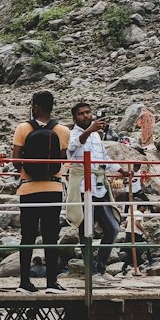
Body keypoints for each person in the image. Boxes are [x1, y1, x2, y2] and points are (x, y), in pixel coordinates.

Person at [12, 91, 69, 293]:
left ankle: (25, 282)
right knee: (50, 235)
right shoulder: (62, 130)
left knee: (27, 236)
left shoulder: (23, 128)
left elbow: (16, 161)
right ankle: (52, 282)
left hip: (28, 188)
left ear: (35, 106)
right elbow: (61, 160)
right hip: (53, 187)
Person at [67, 102, 122, 277]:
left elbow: (103, 157)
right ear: (75, 117)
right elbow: (73, 147)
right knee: (86, 230)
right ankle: (90, 271)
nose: (86, 116)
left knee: (112, 228)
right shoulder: (74, 134)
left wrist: (121, 170)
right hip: (83, 187)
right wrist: (90, 130)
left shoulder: (96, 136)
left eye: (88, 112)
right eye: (81, 113)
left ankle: (100, 268)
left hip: (99, 187)